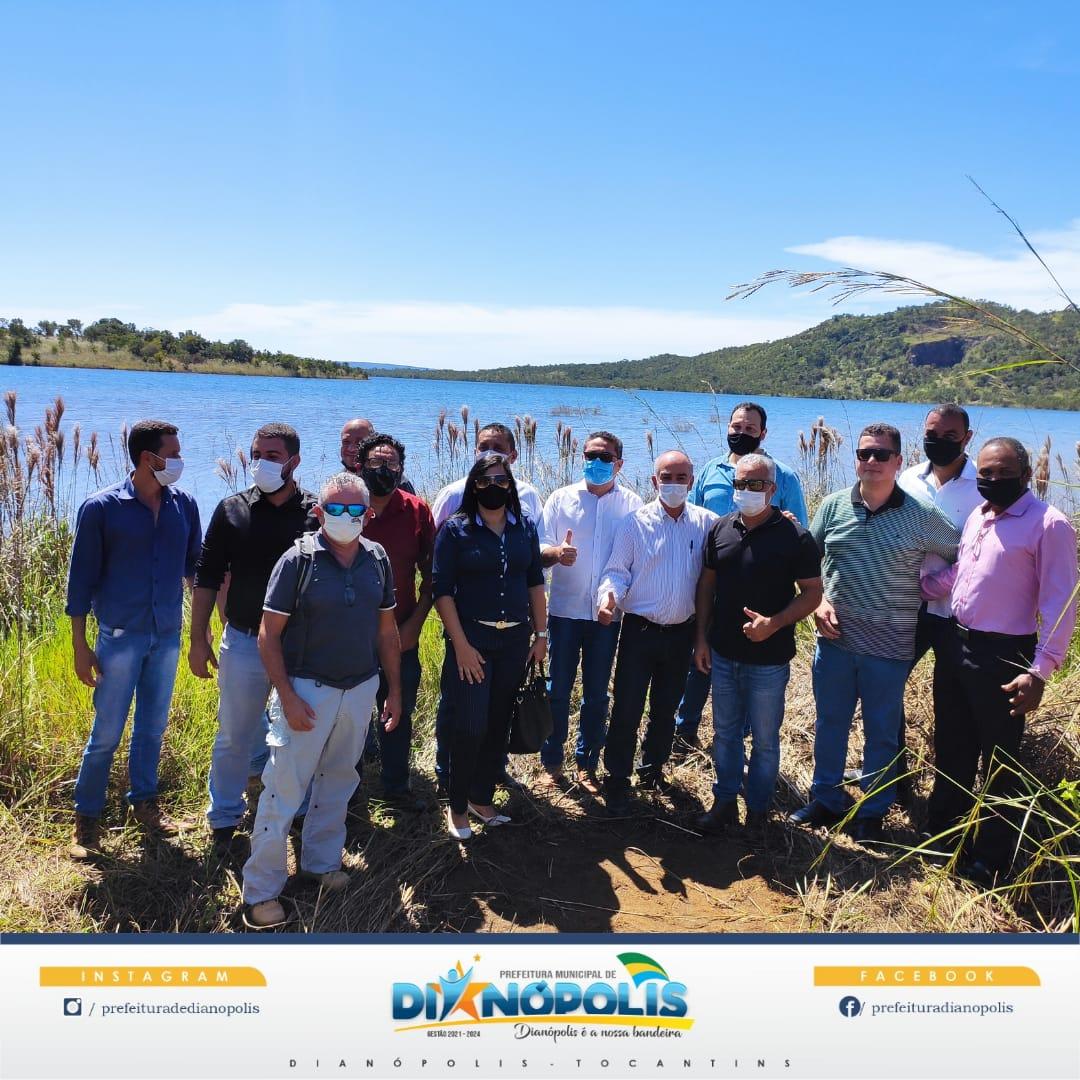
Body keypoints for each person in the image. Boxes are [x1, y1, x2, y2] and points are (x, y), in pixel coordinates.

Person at [241, 472, 400, 928]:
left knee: (339, 780)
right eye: (336, 508)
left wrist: (393, 689)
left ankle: (320, 861)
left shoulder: (377, 558)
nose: (345, 517)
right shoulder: (298, 561)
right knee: (283, 790)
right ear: (319, 512)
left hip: (361, 686)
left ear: (368, 514)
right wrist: (287, 696)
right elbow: (269, 636)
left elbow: (386, 631)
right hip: (307, 690)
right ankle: (262, 891)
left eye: (355, 510)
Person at [789, 423, 960, 844]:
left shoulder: (921, 515)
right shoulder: (832, 506)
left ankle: (873, 809)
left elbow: (966, 555)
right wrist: (820, 602)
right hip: (834, 640)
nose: (872, 461)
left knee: (881, 729)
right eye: (865, 453)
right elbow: (809, 563)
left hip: (890, 646)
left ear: (899, 462)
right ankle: (826, 797)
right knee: (831, 722)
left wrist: (935, 587)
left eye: (882, 455)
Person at [920, 437, 1077, 884]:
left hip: (1005, 656)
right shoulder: (978, 514)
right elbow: (963, 573)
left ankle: (989, 858)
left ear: (1026, 475)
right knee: (952, 747)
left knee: (1000, 760)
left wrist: (1039, 671)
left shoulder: (1050, 525)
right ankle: (943, 837)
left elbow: (1060, 604)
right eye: (985, 473)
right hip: (956, 645)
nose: (991, 481)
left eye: (1003, 473)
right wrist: (924, 584)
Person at [65, 419, 202, 859]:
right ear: (148, 458)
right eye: (173, 453)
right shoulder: (101, 508)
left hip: (166, 635)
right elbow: (80, 582)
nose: (179, 461)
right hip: (119, 637)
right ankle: (86, 821)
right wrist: (80, 646)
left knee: (152, 727)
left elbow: (195, 567)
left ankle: (145, 806)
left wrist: (203, 625)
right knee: (106, 732)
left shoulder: (185, 504)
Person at [190, 422, 318, 856]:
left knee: (298, 733)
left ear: (294, 462)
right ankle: (225, 818)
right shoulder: (231, 510)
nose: (261, 462)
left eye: (274, 456)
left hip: (299, 646)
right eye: (257, 453)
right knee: (234, 735)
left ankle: (293, 813)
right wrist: (198, 636)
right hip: (243, 640)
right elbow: (207, 575)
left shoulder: (316, 514)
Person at [692, 454, 822, 834]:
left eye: (757, 485)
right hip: (723, 652)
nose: (748, 491)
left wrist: (776, 623)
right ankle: (725, 802)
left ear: (773, 490)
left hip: (769, 659)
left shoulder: (795, 536)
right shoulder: (720, 529)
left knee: (765, 741)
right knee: (725, 733)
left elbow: (813, 593)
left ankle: (758, 812)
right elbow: (706, 585)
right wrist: (701, 637)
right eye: (741, 484)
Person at [675, 402, 808, 757]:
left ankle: (744, 736)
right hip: (708, 578)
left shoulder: (783, 476)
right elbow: (690, 517)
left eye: (750, 429)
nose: (741, 433)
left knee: (746, 663)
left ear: (763, 434)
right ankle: (684, 730)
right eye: (736, 426)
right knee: (699, 656)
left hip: (755, 588)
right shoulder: (708, 471)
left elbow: (800, 532)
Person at [432, 453, 547, 839]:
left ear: (510, 484)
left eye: (501, 480)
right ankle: (458, 805)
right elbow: (442, 591)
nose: (493, 487)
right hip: (473, 641)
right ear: (473, 486)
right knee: (469, 725)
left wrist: (541, 636)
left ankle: (482, 799)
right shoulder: (456, 529)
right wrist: (460, 644)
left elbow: (535, 583)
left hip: (515, 640)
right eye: (485, 481)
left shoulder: (524, 527)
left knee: (498, 722)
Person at [597, 450, 719, 815]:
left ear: (692, 482)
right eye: (667, 477)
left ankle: (651, 770)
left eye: (682, 477)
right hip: (640, 631)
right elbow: (617, 570)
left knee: (666, 709)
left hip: (682, 633)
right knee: (627, 707)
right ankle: (617, 778)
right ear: (654, 481)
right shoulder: (635, 523)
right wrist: (609, 599)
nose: (674, 484)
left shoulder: (708, 524)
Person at [538, 431, 643, 791]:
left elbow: (634, 561)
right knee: (557, 689)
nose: (596, 463)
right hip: (565, 612)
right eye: (590, 455)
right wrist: (555, 554)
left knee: (597, 694)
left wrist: (615, 598)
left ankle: (587, 763)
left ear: (619, 463)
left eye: (605, 457)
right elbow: (539, 548)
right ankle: (551, 762)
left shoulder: (632, 504)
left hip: (607, 617)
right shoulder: (560, 498)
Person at [894, 404, 982, 804]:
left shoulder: (986, 481)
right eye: (933, 433)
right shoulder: (909, 479)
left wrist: (939, 584)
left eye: (950, 436)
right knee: (886, 690)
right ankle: (893, 779)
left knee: (952, 709)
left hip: (958, 617)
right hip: (908, 610)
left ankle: (948, 804)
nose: (940, 441)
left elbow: (985, 553)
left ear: (967, 438)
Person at [354, 432, 435, 810]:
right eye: (375, 463)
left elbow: (432, 576)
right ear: (360, 465)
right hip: (349, 637)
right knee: (348, 719)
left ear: (402, 469)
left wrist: (415, 625)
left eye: (391, 464)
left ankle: (396, 788)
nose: (383, 470)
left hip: (400, 635)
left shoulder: (417, 510)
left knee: (397, 713)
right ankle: (347, 794)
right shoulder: (346, 509)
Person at [431, 422, 543, 527]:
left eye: (498, 448)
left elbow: (539, 539)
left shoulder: (527, 494)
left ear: (513, 456)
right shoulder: (453, 495)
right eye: (483, 448)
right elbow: (434, 539)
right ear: (475, 452)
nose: (489, 454)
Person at [340, 417, 415, 494]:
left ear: (372, 444)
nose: (351, 448)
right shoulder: (338, 481)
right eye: (346, 442)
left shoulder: (395, 482)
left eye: (359, 442)